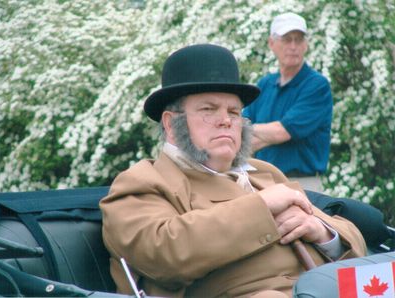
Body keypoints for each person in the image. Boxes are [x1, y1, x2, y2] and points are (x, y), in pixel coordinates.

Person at [100, 44, 365, 298]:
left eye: (234, 111)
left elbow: (358, 245)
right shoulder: (142, 182)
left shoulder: (263, 173)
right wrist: (261, 206)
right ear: (171, 123)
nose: (226, 120)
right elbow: (164, 253)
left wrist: (323, 233)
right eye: (208, 109)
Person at [242, 12, 333, 192]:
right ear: (271, 43)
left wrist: (247, 130)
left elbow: (282, 132)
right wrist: (248, 133)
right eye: (287, 39)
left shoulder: (316, 86)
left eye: (298, 40)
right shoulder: (264, 85)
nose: (293, 46)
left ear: (306, 44)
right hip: (261, 183)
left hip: (302, 184)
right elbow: (242, 140)